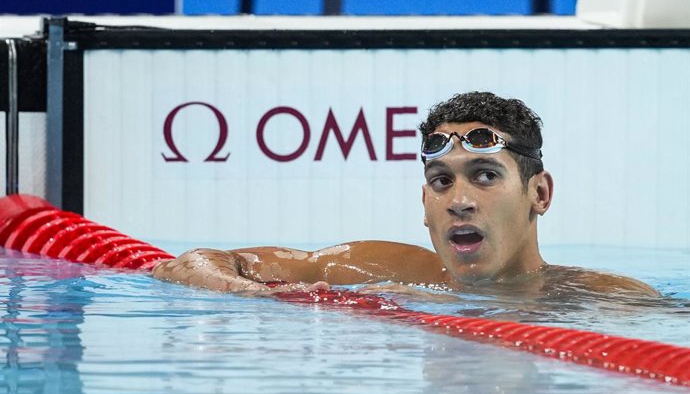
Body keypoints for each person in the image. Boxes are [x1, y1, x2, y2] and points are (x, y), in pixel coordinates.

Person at [152, 92, 659, 298]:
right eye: (442, 181)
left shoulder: (603, 300)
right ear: (424, 204)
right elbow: (194, 262)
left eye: (484, 176)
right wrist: (248, 295)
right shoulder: (381, 269)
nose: (458, 200)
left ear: (539, 193)